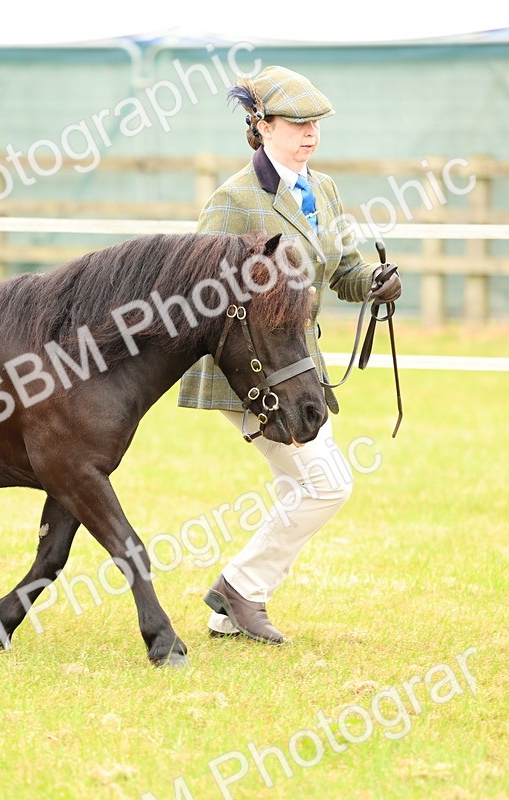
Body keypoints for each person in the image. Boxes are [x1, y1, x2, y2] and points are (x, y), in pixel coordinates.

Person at [178, 66, 402, 644]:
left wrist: (372, 279)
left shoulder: (322, 190)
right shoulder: (233, 200)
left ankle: (228, 614)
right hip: (248, 373)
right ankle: (241, 589)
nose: (310, 135)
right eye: (297, 124)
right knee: (327, 485)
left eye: (315, 125)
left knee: (298, 489)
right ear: (262, 127)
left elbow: (341, 268)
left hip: (299, 366)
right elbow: (197, 292)